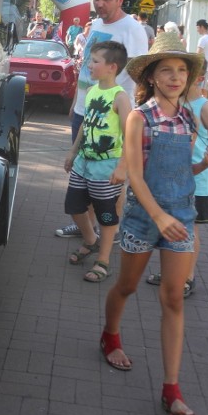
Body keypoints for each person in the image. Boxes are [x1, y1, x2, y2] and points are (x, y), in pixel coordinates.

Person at [100, 32, 208, 415]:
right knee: (127, 287)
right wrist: (158, 217)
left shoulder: (188, 116)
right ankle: (110, 336)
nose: (175, 77)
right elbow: (135, 176)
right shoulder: (140, 117)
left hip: (181, 218)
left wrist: (204, 164)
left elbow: (181, 170)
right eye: (166, 70)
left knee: (173, 298)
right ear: (150, 77)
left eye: (181, 70)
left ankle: (172, 390)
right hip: (142, 218)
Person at [55, 0, 148, 239]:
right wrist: (76, 101)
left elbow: (138, 72)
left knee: (109, 175)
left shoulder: (132, 29)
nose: (100, 4)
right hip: (86, 110)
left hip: (111, 114)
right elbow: (86, 66)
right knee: (84, 169)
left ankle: (112, 228)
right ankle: (88, 225)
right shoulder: (95, 23)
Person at [146, 68, 208, 297]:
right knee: (172, 226)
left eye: (184, 73)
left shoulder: (203, 106)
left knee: (191, 229)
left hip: (199, 180)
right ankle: (172, 272)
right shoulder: (174, 103)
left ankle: (187, 277)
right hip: (174, 178)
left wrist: (205, 159)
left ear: (197, 79)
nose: (177, 78)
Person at [63, 41, 131, 282]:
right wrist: (73, 151)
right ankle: (91, 241)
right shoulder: (92, 91)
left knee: (106, 214)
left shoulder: (120, 97)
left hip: (106, 166)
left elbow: (130, 135)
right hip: (84, 161)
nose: (89, 65)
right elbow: (85, 123)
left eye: (94, 61)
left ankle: (103, 260)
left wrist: (123, 166)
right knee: (73, 206)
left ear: (112, 67)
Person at [195, 19, 208, 98]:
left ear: (201, 27)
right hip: (207, 65)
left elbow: (198, 53)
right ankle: (205, 104)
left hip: (201, 66)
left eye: (197, 28)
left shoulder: (202, 39)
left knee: (197, 86)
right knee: (204, 87)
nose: (197, 30)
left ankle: (197, 102)